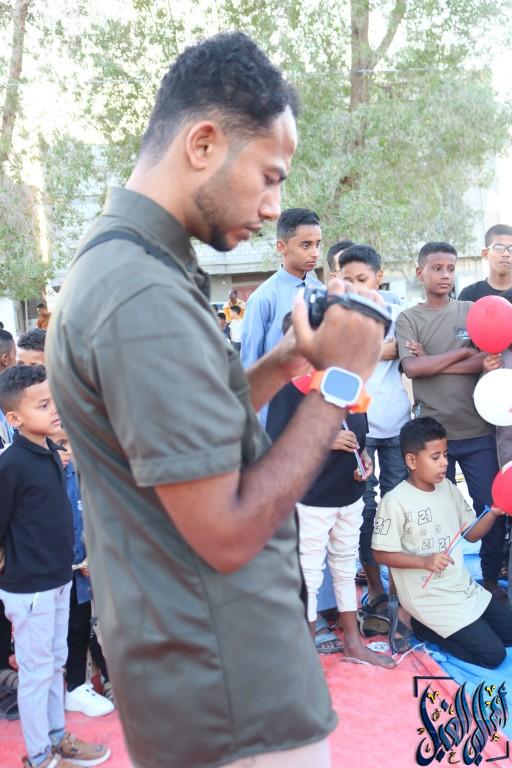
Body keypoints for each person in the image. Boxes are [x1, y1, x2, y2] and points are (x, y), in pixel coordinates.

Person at [46, 32, 386, 768]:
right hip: (232, 696)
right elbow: (226, 532)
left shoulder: (130, 263)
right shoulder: (140, 292)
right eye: (268, 177)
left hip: (209, 676)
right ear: (203, 143)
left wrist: (292, 358)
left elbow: (199, 420)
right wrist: (341, 382)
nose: (272, 207)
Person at [266, 317, 394, 669]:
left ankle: (352, 642)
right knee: (308, 574)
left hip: (349, 491)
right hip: (310, 497)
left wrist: (363, 459)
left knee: (344, 565)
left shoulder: (347, 381)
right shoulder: (288, 387)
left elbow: (360, 431)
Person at [0, 364, 110, 768]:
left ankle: (56, 737)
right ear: (14, 418)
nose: (54, 410)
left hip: (59, 579)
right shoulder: (10, 465)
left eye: (53, 401)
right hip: (30, 589)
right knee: (35, 673)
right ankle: (39, 755)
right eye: (42, 405)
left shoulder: (49, 450)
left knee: (54, 664)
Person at [395, 242, 504, 600]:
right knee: (434, 515)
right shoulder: (409, 318)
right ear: (420, 272)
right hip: (433, 438)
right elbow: (413, 369)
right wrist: (461, 354)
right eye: (437, 268)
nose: (445, 275)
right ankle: (442, 585)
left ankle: (490, 580)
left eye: (451, 269)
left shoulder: (471, 311)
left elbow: (485, 360)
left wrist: (434, 359)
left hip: (477, 432)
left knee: (491, 510)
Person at [372, 417, 512, 668]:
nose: (445, 462)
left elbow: (471, 534)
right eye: (435, 457)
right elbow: (380, 554)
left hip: (462, 589)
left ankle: (467, 627)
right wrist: (424, 561)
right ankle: (421, 626)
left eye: (445, 455)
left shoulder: (447, 487)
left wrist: (493, 512)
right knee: (493, 655)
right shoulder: (394, 501)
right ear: (411, 461)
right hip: (428, 598)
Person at [336, 244, 409, 609]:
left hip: (397, 425)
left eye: (362, 279)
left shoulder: (400, 315)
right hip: (357, 430)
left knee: (396, 506)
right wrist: (381, 350)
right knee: (364, 508)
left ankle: (398, 585)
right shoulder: (335, 319)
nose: (355, 287)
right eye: (347, 280)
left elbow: (409, 354)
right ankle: (374, 585)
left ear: (379, 277)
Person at [240, 207, 323, 425]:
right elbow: (250, 364)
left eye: (318, 244)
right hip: (277, 413)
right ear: (281, 247)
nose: (315, 253)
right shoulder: (263, 298)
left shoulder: (322, 293)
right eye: (306, 245)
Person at [54, 430, 115, 719]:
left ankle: (111, 680)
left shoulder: (93, 473)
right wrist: (78, 561)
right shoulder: (54, 477)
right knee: (77, 626)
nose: (68, 450)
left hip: (103, 564)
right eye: (60, 444)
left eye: (71, 442)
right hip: (68, 572)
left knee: (108, 625)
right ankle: (77, 685)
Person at [458, 224, 512, 302]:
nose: (506, 254)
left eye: (511, 249)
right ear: (485, 254)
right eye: (499, 248)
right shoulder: (469, 294)